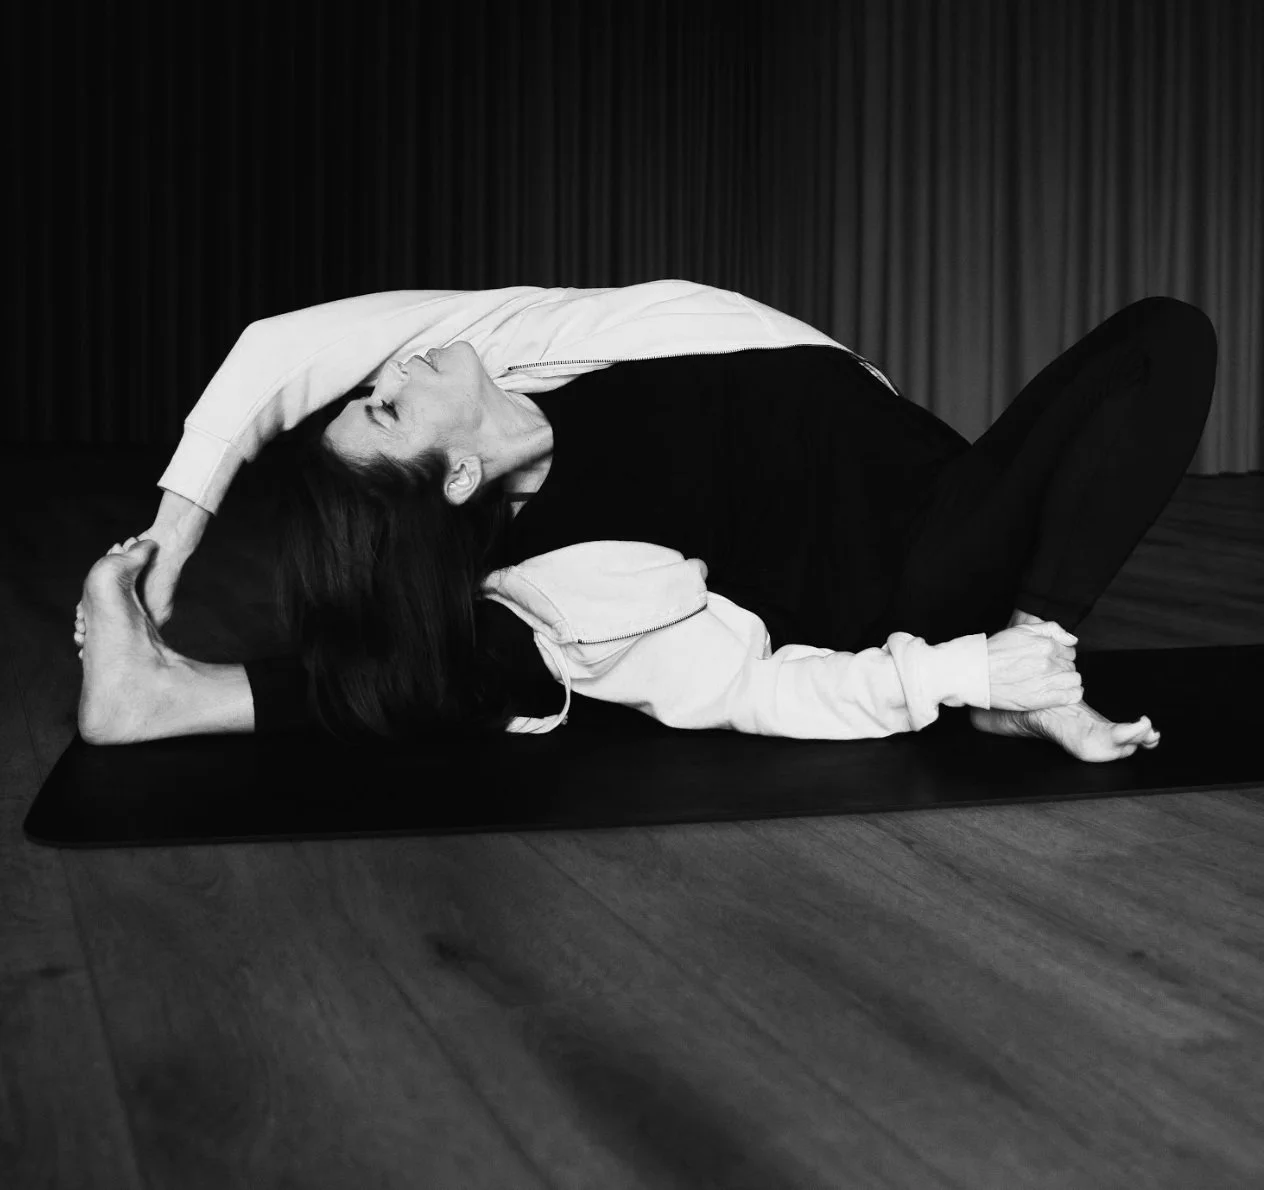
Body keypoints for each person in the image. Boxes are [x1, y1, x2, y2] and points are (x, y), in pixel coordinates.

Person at [74, 282, 1217, 763]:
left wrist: (172, 537)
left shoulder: (534, 348)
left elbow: (281, 347)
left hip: (953, 479)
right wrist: (964, 672)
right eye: (385, 408)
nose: (390, 371)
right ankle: (1033, 660)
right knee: (489, 664)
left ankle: (1031, 652)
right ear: (456, 475)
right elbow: (754, 688)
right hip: (922, 574)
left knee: (1159, 338)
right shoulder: (571, 572)